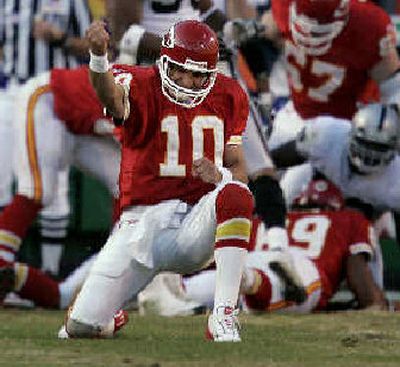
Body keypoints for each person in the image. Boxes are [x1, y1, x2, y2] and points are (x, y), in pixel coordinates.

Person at [64, 19, 254, 343]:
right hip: (141, 224)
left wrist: (220, 174)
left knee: (236, 193)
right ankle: (110, 316)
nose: (189, 81)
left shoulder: (229, 94)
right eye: (182, 70)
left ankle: (223, 317)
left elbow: (238, 170)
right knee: (80, 328)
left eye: (199, 75)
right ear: (165, 62)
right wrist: (98, 57)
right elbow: (111, 98)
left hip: (195, 222)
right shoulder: (138, 82)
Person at [150, 178, 395, 314]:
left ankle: (177, 288)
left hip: (259, 256)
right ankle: (244, 280)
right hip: (301, 269)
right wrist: (379, 304)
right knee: (263, 289)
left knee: (220, 285)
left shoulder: (269, 220)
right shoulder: (349, 219)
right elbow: (365, 291)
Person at [0, 65, 120, 290]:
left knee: (127, 184)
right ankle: (1, 264)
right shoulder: (152, 94)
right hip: (50, 98)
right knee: (37, 191)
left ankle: (113, 279)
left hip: (87, 123)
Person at [0, 0, 92, 276]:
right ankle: (7, 269)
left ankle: (50, 270)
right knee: (2, 179)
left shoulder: (72, 1)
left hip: (53, 95)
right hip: (12, 91)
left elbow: (95, 47)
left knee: (51, 184)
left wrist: (60, 38)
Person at [260, 0, 400, 151]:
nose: (312, 36)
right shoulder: (282, 6)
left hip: (352, 124)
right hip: (299, 114)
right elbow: (266, 28)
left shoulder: (368, 25)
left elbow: (393, 86)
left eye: (318, 30)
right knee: (269, 165)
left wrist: (384, 124)